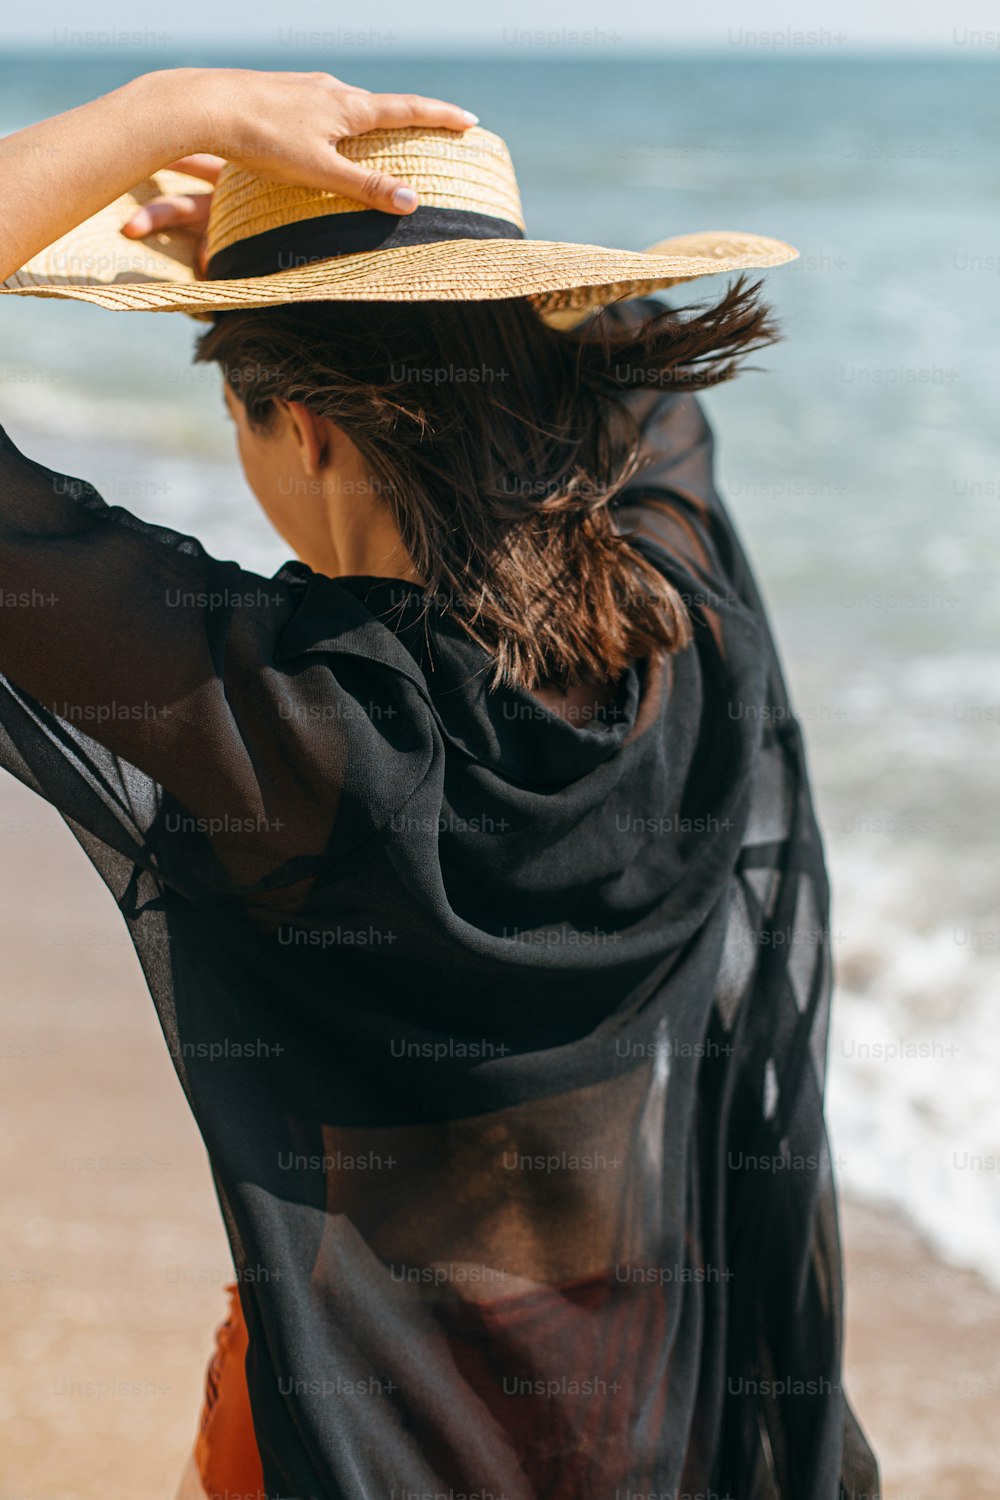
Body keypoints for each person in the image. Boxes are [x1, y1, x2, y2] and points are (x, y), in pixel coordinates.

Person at [0, 67, 879, 1500]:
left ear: (310, 429)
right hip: (650, 1404)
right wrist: (325, 284)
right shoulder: (675, 616)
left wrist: (179, 112)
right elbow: (637, 355)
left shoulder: (294, 721)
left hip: (356, 1435)